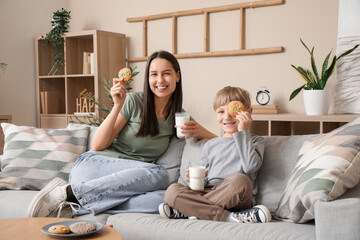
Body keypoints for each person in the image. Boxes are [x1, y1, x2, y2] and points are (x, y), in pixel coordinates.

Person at [26, 50, 216, 218]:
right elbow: (98, 145)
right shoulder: (133, 101)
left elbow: (218, 140)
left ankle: (76, 206)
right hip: (94, 166)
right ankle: (67, 193)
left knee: (164, 199)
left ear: (177, 76)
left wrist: (202, 131)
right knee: (160, 175)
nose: (160, 80)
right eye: (154, 74)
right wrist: (117, 105)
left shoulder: (179, 116)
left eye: (166, 73)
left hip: (126, 182)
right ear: (147, 79)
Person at [159, 86, 272, 223]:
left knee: (240, 180)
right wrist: (197, 178)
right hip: (210, 192)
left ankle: (190, 210)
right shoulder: (210, 145)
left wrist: (243, 132)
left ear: (249, 112)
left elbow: (250, 167)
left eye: (234, 110)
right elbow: (202, 184)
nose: (227, 116)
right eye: (221, 111)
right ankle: (229, 217)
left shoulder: (254, 140)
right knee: (172, 191)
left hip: (236, 196)